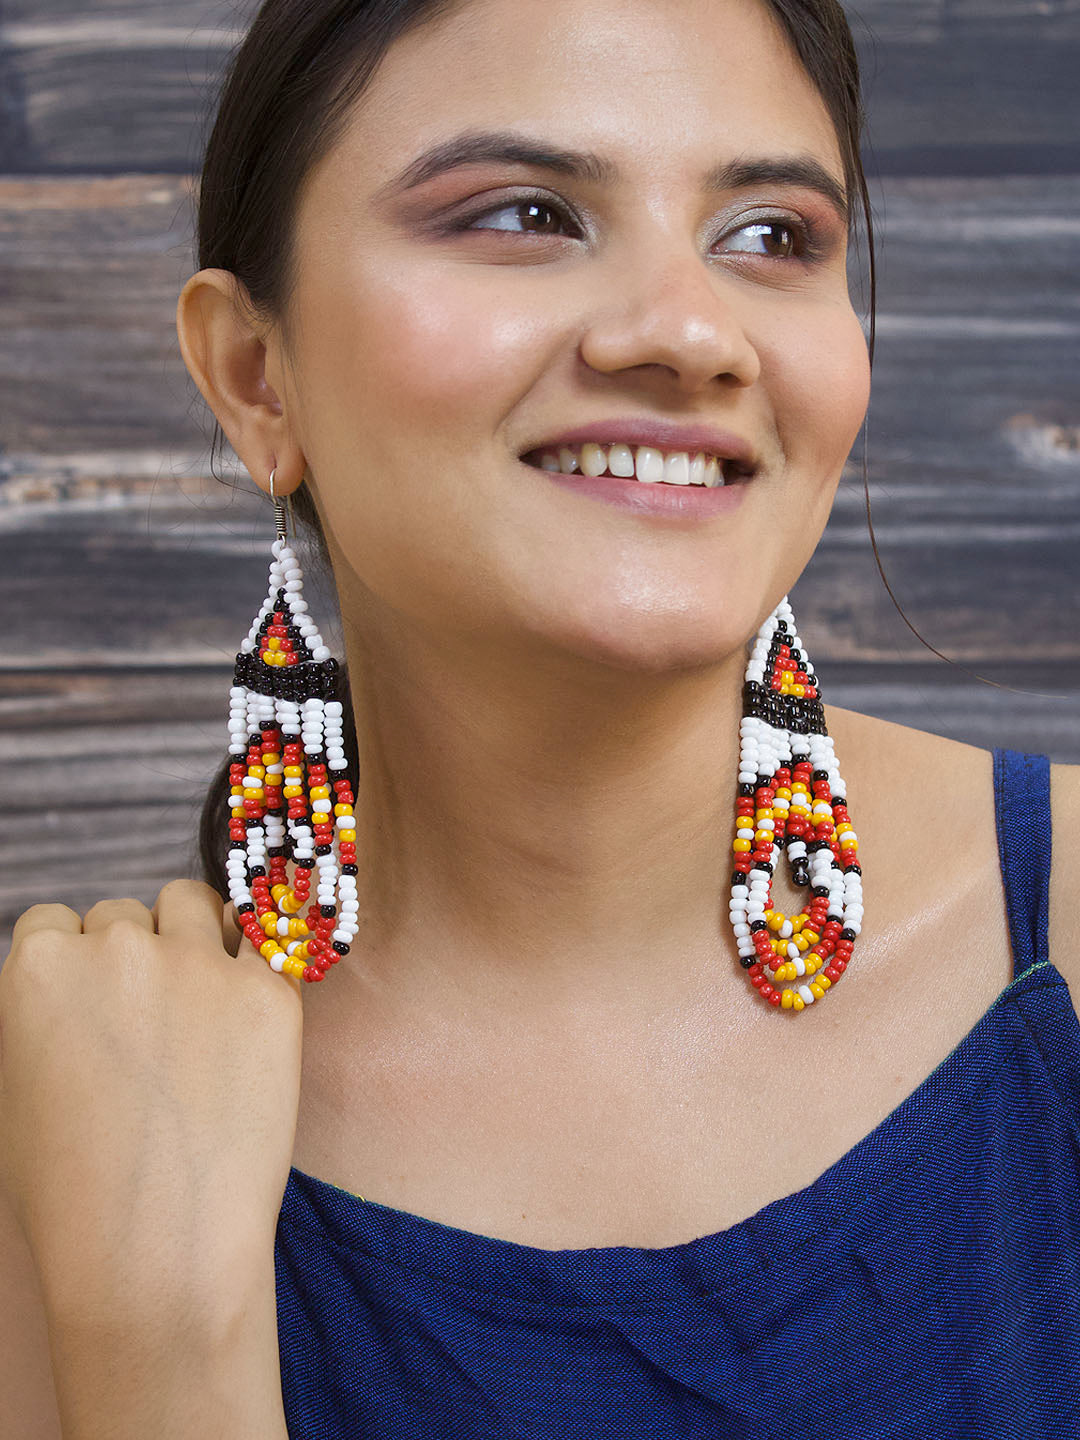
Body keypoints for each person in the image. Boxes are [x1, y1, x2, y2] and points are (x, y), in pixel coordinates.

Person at [2, 0, 1079, 1435]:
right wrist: (156, 1341)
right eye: (523, 213)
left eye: (770, 235)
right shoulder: (63, 1130)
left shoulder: (1061, 925)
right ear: (257, 378)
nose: (693, 333)